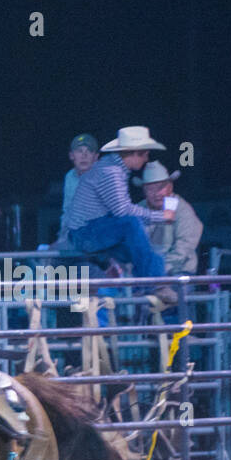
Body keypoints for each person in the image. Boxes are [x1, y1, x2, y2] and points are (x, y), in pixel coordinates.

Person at [66, 126, 174, 325]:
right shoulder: (112, 172)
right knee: (131, 225)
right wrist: (159, 216)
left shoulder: (113, 168)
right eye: (143, 153)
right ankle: (152, 286)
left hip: (94, 230)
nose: (146, 158)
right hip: (85, 233)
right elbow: (122, 211)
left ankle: (153, 287)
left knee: (149, 252)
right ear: (131, 154)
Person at [134, 161, 203, 275]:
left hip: (177, 272)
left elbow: (184, 246)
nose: (156, 193)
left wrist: (160, 269)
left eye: (160, 187)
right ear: (144, 191)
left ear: (170, 187)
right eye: (151, 189)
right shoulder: (138, 210)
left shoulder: (181, 209)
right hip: (145, 273)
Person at [56, 133, 99, 249]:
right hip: (74, 235)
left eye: (89, 151)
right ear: (71, 156)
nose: (84, 155)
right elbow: (67, 211)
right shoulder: (70, 176)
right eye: (79, 151)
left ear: (96, 157)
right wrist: (62, 238)